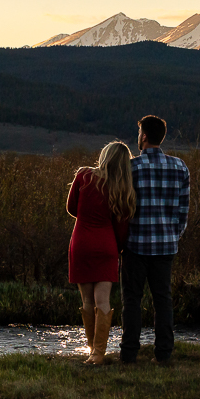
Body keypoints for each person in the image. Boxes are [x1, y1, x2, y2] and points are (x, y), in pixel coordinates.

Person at [121, 115, 189, 365]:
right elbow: (183, 212)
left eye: (139, 133)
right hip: (165, 246)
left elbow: (122, 209)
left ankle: (129, 354)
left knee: (131, 300)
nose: (138, 138)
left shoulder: (131, 167)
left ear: (144, 136)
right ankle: (164, 354)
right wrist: (172, 236)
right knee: (163, 300)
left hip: (135, 246)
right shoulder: (180, 167)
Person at [66, 141, 136, 365]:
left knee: (87, 301)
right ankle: (98, 354)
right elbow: (122, 226)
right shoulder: (122, 188)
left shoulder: (84, 176)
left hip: (82, 243)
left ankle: (91, 353)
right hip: (107, 246)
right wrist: (118, 248)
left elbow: (71, 208)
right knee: (103, 301)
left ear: (104, 156)